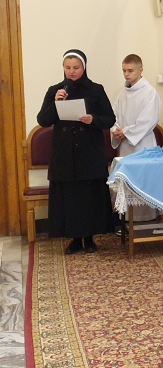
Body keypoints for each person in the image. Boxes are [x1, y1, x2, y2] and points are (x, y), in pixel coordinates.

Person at [37, 49, 116, 254]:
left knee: (88, 196)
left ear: (84, 68)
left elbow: (110, 119)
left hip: (89, 152)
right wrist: (56, 103)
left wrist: (93, 119)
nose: (71, 71)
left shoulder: (96, 89)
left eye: (76, 67)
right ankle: (73, 239)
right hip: (64, 153)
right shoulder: (55, 90)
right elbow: (43, 120)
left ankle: (89, 239)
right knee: (69, 198)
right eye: (68, 67)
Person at [110, 54, 161, 221]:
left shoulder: (150, 92)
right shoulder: (122, 93)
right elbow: (113, 116)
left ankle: (146, 218)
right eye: (124, 70)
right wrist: (116, 130)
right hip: (125, 146)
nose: (126, 74)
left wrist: (125, 132)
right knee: (127, 182)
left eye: (130, 70)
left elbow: (149, 120)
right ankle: (126, 219)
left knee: (143, 182)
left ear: (141, 70)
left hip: (143, 145)